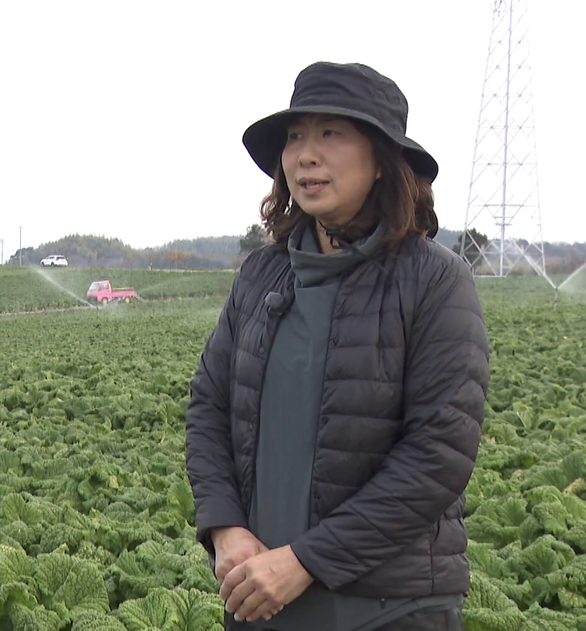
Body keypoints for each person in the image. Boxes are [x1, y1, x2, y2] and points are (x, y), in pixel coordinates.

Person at [184, 62, 489, 631]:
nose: (305, 155)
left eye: (331, 133)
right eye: (295, 137)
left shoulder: (434, 280)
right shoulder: (261, 275)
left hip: (388, 610)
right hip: (260, 603)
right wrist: (224, 529)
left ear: (381, 160)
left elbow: (437, 454)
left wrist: (306, 561)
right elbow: (208, 407)